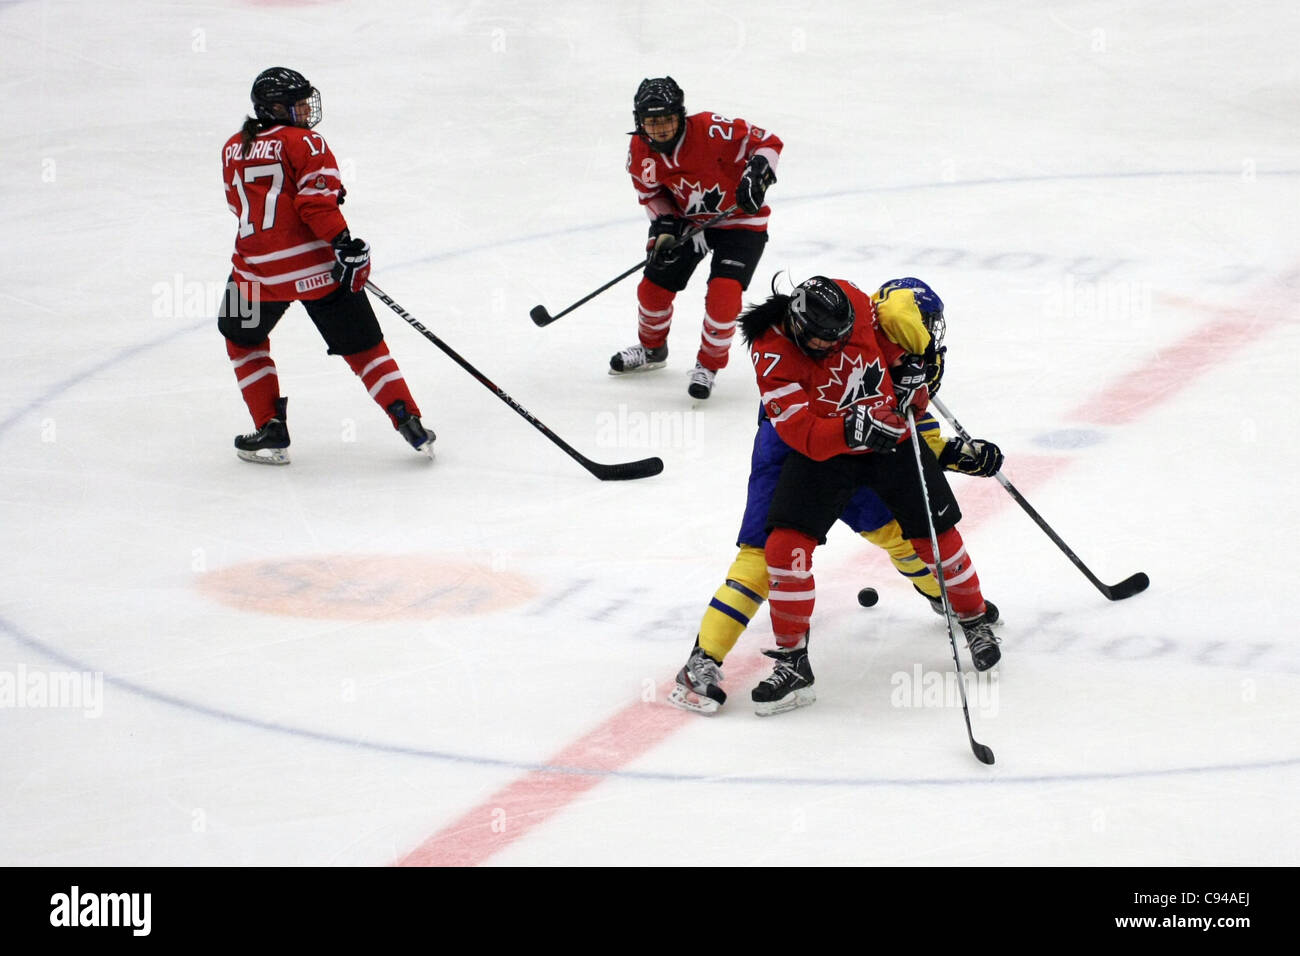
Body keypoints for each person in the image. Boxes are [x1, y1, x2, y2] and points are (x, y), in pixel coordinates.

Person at [668, 278, 1005, 715]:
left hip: (872, 441)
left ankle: (961, 607)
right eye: (821, 339)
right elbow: (803, 433)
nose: (833, 346)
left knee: (902, 532)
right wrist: (857, 427)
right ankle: (707, 660)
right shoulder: (773, 356)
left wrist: (913, 379)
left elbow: (901, 392)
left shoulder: (859, 307)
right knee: (769, 555)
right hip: (797, 450)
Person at [217, 67, 433, 465]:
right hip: (317, 269)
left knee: (241, 338)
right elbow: (315, 203)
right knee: (365, 348)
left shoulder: (233, 147)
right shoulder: (306, 142)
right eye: (297, 104)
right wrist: (343, 243)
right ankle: (407, 420)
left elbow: (237, 206)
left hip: (254, 273)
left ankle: (271, 429)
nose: (304, 110)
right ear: (276, 108)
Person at [610, 76, 782, 400]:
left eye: (667, 119)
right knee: (651, 291)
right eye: (651, 121)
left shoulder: (712, 130)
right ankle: (651, 349)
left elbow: (768, 143)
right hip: (689, 224)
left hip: (741, 221)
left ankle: (708, 366)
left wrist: (756, 173)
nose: (660, 129)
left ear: (681, 114)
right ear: (639, 121)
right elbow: (652, 196)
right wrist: (664, 224)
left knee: (724, 295)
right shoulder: (639, 152)